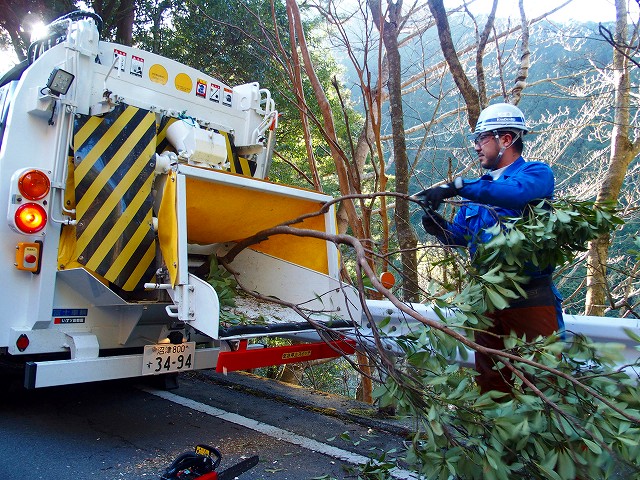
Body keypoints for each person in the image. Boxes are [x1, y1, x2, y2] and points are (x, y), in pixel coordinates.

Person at [414, 103, 564, 395]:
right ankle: (496, 434)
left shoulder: (535, 174)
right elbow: (462, 236)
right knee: (491, 380)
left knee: (544, 381)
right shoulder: (476, 188)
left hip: (530, 297)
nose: (476, 147)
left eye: (482, 138)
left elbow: (517, 195)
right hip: (488, 300)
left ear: (506, 139)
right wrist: (439, 228)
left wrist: (456, 186)